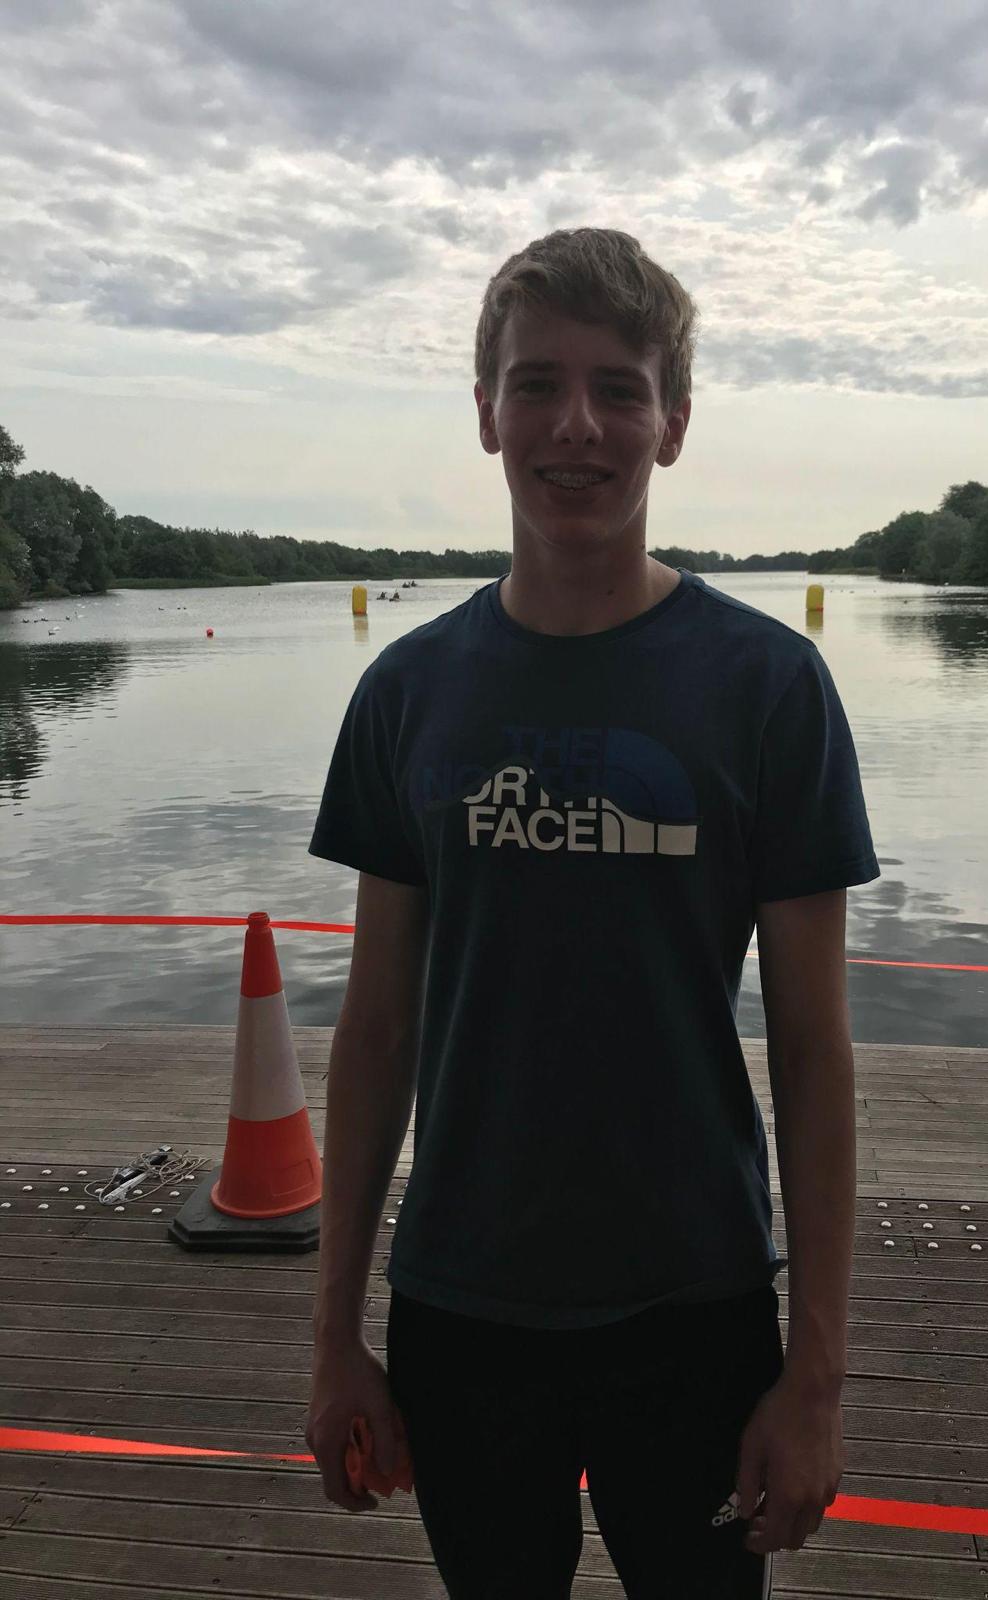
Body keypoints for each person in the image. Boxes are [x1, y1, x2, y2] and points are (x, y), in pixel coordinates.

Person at [304, 227, 880, 1598]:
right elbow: (376, 1033)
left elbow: (815, 1052)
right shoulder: (407, 693)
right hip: (462, 1304)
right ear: (487, 413)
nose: (577, 424)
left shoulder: (769, 689)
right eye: (538, 383)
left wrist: (814, 1374)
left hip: (695, 1303)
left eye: (620, 388)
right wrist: (333, 1338)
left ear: (672, 423)